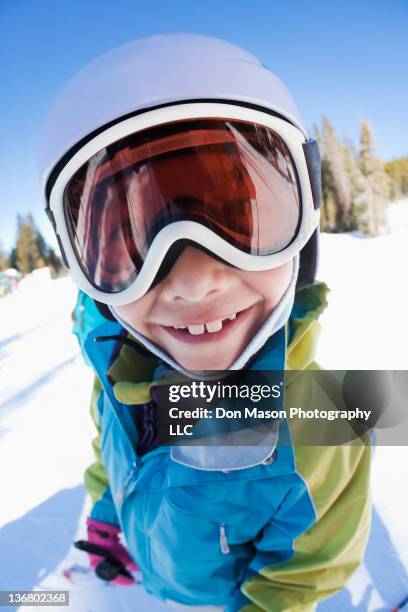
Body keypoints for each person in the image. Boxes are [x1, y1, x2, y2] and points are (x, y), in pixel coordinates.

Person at [40, 34, 371, 611]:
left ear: (305, 226)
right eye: (126, 241)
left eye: (244, 222)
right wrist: (107, 517)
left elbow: (301, 578)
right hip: (146, 581)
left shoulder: (326, 422)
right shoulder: (118, 370)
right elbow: (111, 449)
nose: (195, 282)